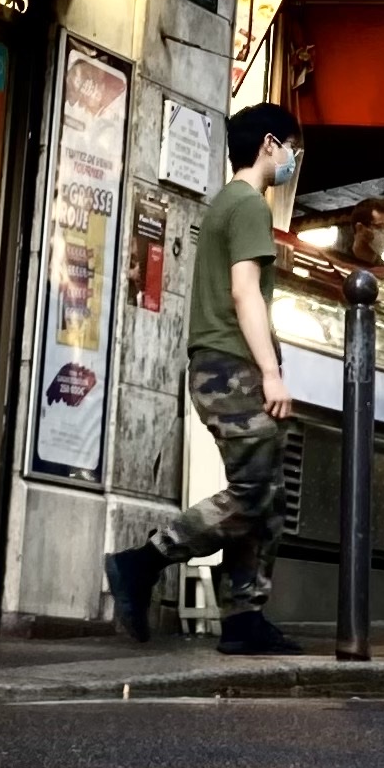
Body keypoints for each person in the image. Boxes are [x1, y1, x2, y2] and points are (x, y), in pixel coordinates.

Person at [104, 102, 304, 655]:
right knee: (254, 493)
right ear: (269, 144)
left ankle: (244, 620)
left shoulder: (225, 203)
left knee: (267, 495)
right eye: (292, 148)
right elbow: (245, 292)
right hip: (232, 367)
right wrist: (271, 373)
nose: (293, 160)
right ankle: (144, 561)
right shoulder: (248, 205)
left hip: (220, 365)